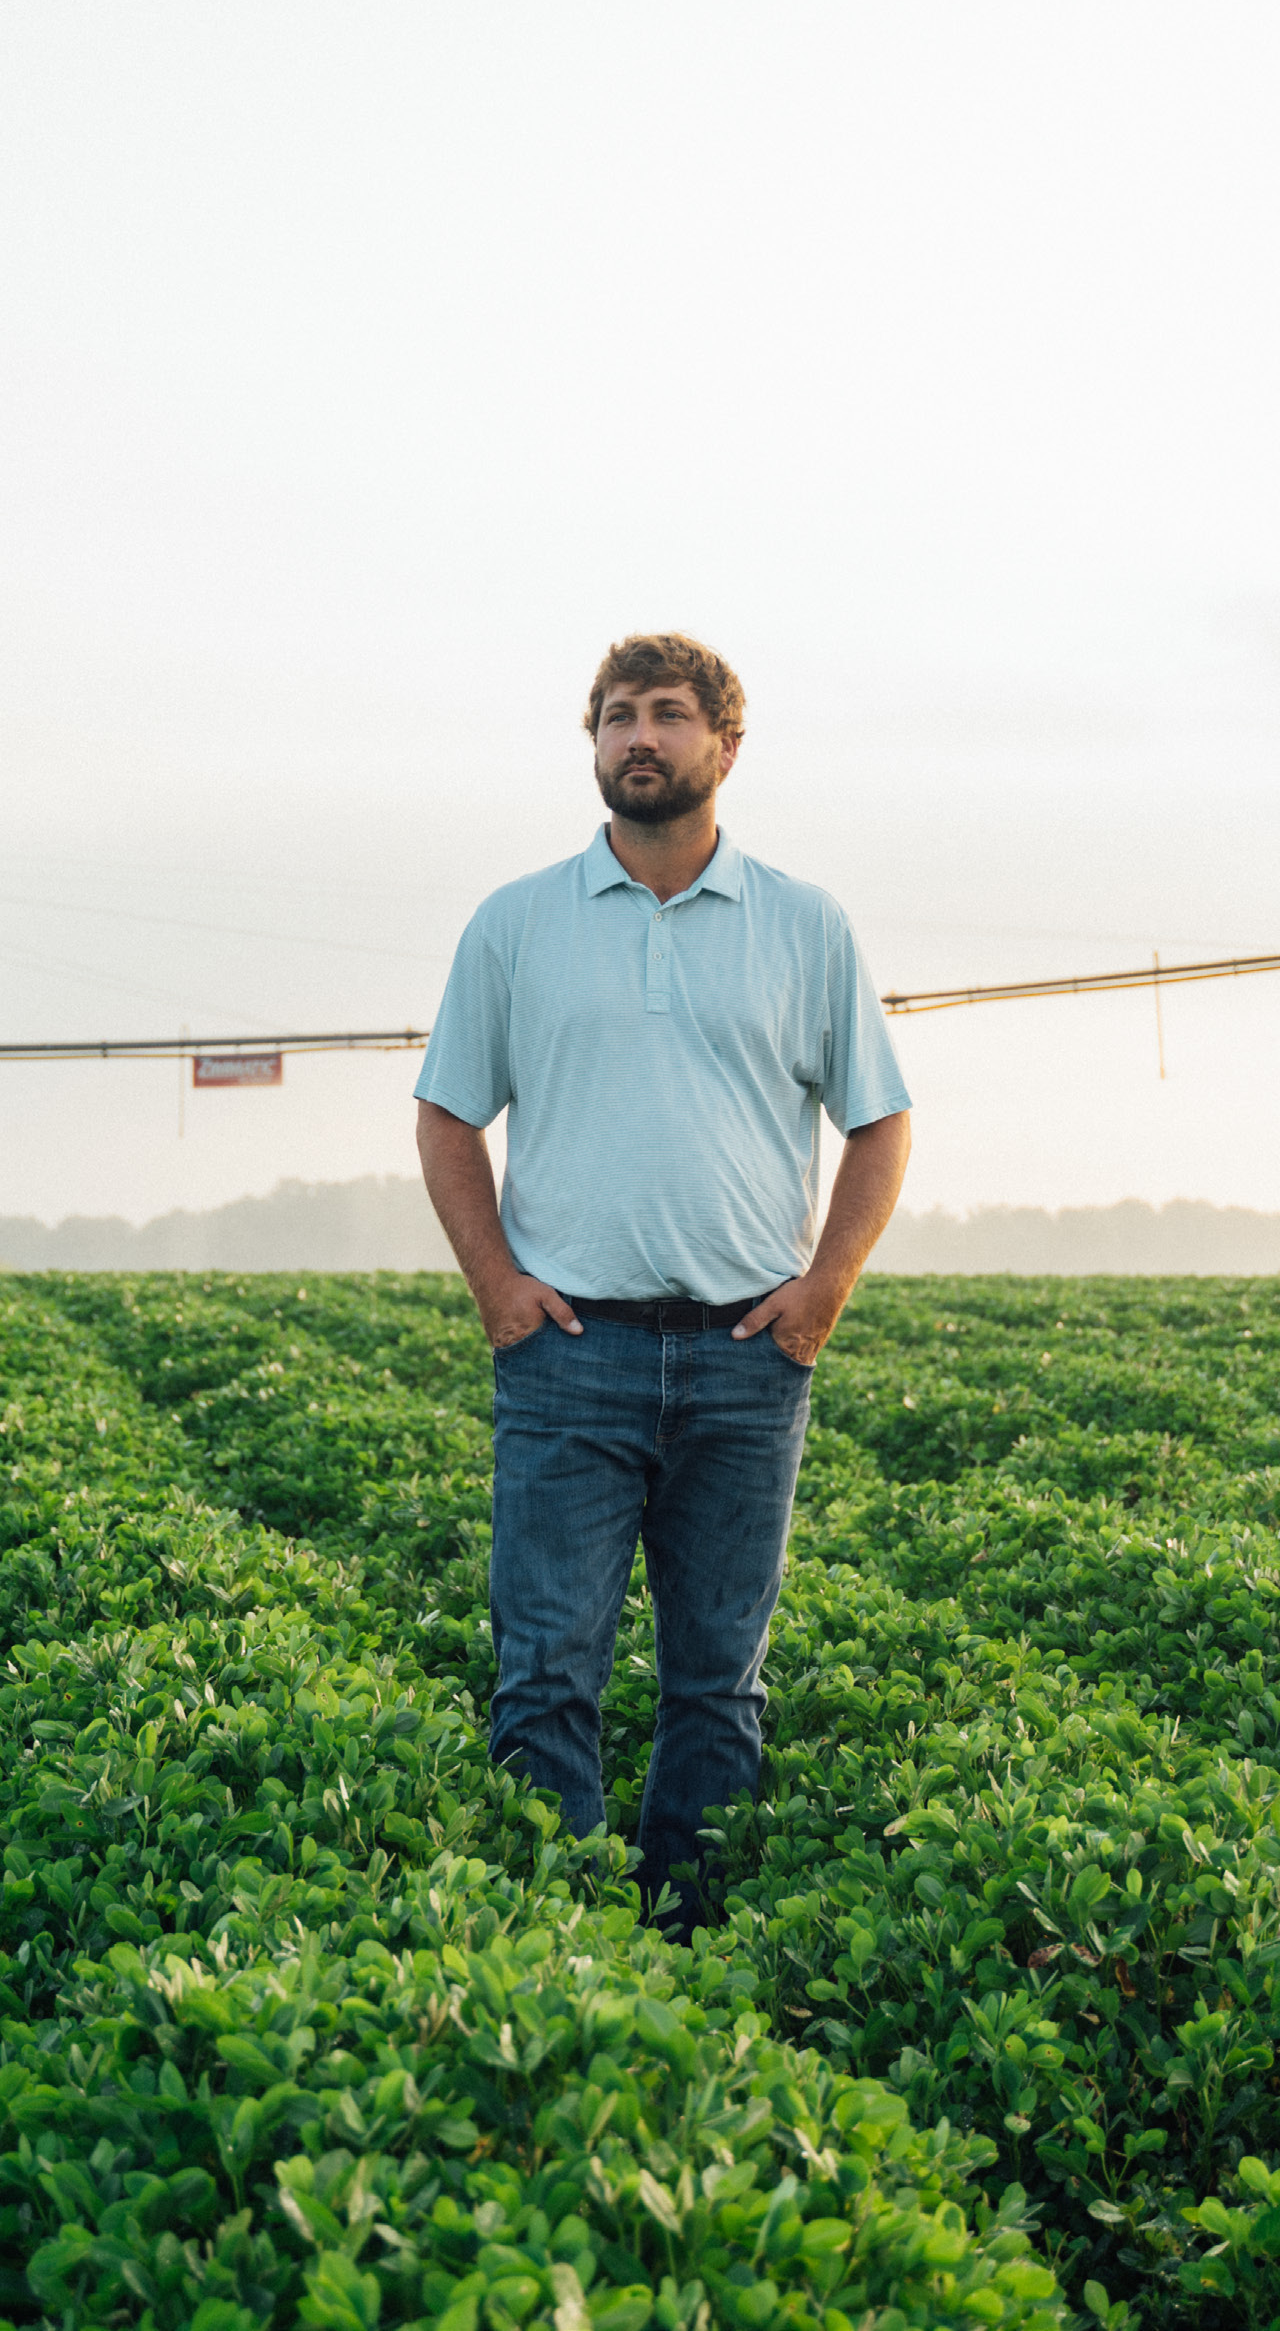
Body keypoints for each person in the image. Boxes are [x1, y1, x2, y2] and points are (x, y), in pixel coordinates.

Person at [413, 632, 914, 1933]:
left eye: (668, 717)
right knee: (543, 1678)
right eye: (616, 717)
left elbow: (879, 1123)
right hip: (567, 1356)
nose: (639, 738)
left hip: (748, 1362)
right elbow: (445, 1118)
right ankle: (562, 1952)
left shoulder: (804, 926)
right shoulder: (515, 925)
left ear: (724, 748)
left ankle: (685, 1947)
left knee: (715, 1684)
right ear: (592, 745)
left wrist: (821, 1297)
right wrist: (498, 1293)